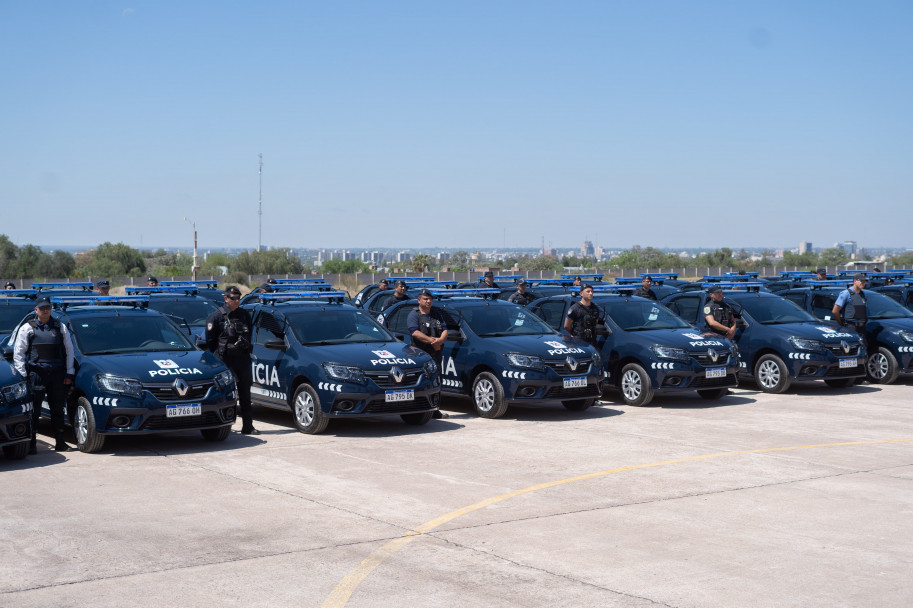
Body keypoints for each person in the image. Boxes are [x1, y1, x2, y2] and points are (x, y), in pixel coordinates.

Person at [13, 296, 76, 452]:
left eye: (48, 307)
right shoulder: (27, 328)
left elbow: (69, 350)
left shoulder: (59, 326)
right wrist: (23, 376)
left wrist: (69, 373)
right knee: (34, 411)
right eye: (42, 308)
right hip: (36, 374)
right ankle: (32, 443)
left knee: (58, 410)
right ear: (36, 310)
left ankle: (60, 442)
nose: (45, 310)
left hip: (57, 375)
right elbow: (19, 353)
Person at [205, 285, 259, 435]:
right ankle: (221, 425)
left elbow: (249, 334)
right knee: (224, 394)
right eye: (233, 298)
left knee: (245, 394)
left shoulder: (244, 315)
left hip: (242, 359)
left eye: (238, 298)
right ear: (226, 298)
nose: (236, 301)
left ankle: (248, 426)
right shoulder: (216, 317)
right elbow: (210, 341)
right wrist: (224, 351)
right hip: (225, 361)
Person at [407, 289, 448, 418]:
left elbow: (445, 330)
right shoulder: (414, 315)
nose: (429, 301)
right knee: (421, 382)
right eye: (425, 299)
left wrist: (440, 340)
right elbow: (414, 332)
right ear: (419, 300)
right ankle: (416, 408)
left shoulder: (436, 314)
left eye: (430, 299)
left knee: (436, 381)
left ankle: (435, 408)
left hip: (435, 354)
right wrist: (432, 341)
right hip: (419, 356)